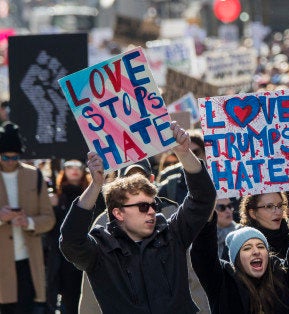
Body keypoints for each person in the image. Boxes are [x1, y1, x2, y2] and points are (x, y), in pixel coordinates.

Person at [60, 122, 216, 313]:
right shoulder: (101, 251)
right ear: (118, 213)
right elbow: (70, 241)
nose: (152, 211)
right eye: (142, 207)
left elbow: (203, 198)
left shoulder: (173, 234)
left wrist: (183, 153)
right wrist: (95, 185)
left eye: (152, 205)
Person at [78, 158, 209, 314]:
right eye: (129, 180)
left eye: (141, 178)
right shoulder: (103, 222)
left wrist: (202, 308)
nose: (136, 185)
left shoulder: (171, 213)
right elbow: (93, 280)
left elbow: (189, 267)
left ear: (151, 180)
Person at [190, 170, 289, 314]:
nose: (256, 251)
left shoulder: (282, 277)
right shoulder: (223, 283)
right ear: (235, 259)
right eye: (246, 248)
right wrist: (207, 201)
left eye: (260, 246)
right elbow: (203, 253)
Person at [0, 122, 55, 313]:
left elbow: (49, 218)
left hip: (28, 262)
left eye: (15, 157)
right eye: (5, 156)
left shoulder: (34, 176)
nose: (10, 161)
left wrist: (29, 222)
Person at [45, 160, 90, 314]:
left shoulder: (92, 194)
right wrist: (51, 205)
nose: (74, 170)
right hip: (63, 255)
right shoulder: (56, 197)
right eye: (70, 167)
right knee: (68, 298)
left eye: (78, 167)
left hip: (86, 250)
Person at [236, 191, 289, 259]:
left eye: (280, 205)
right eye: (269, 206)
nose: (278, 212)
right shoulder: (239, 245)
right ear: (253, 214)